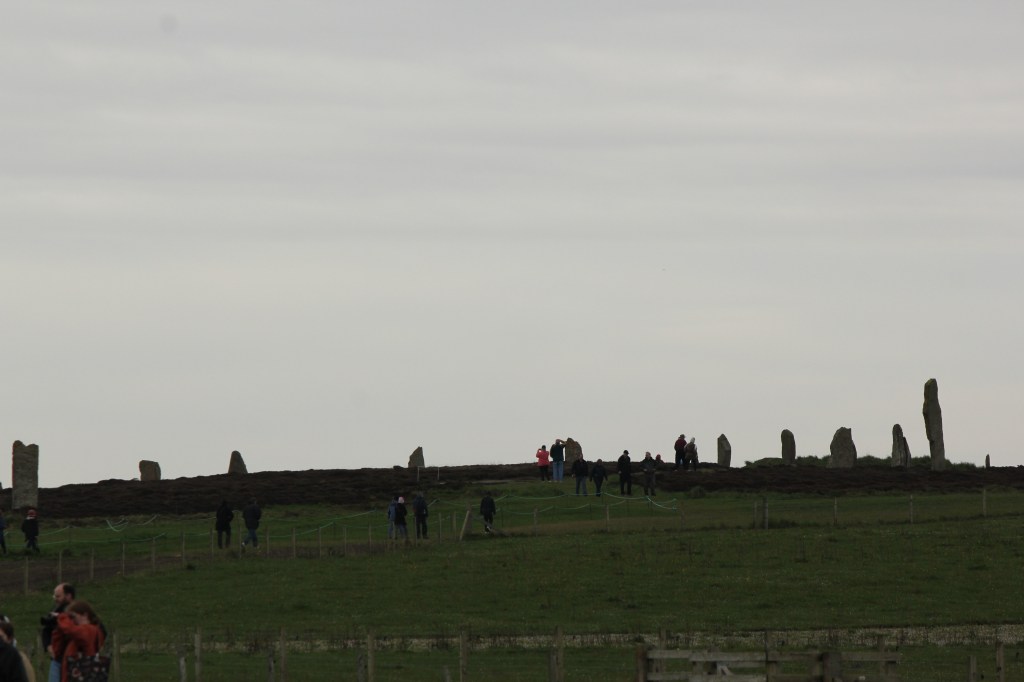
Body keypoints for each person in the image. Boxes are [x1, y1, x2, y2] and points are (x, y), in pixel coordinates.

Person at [54, 601, 105, 682]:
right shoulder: (77, 635)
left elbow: (70, 629)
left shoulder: (90, 630)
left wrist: (63, 618)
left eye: (72, 617)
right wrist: (59, 630)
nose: (71, 621)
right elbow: (57, 651)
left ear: (85, 615)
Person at [42, 583, 75, 682]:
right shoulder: (55, 611)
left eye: (58, 596)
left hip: (74, 660)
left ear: (68, 596)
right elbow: (46, 631)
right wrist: (48, 646)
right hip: (57, 660)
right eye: (54, 596)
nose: (55, 599)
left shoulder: (78, 612)